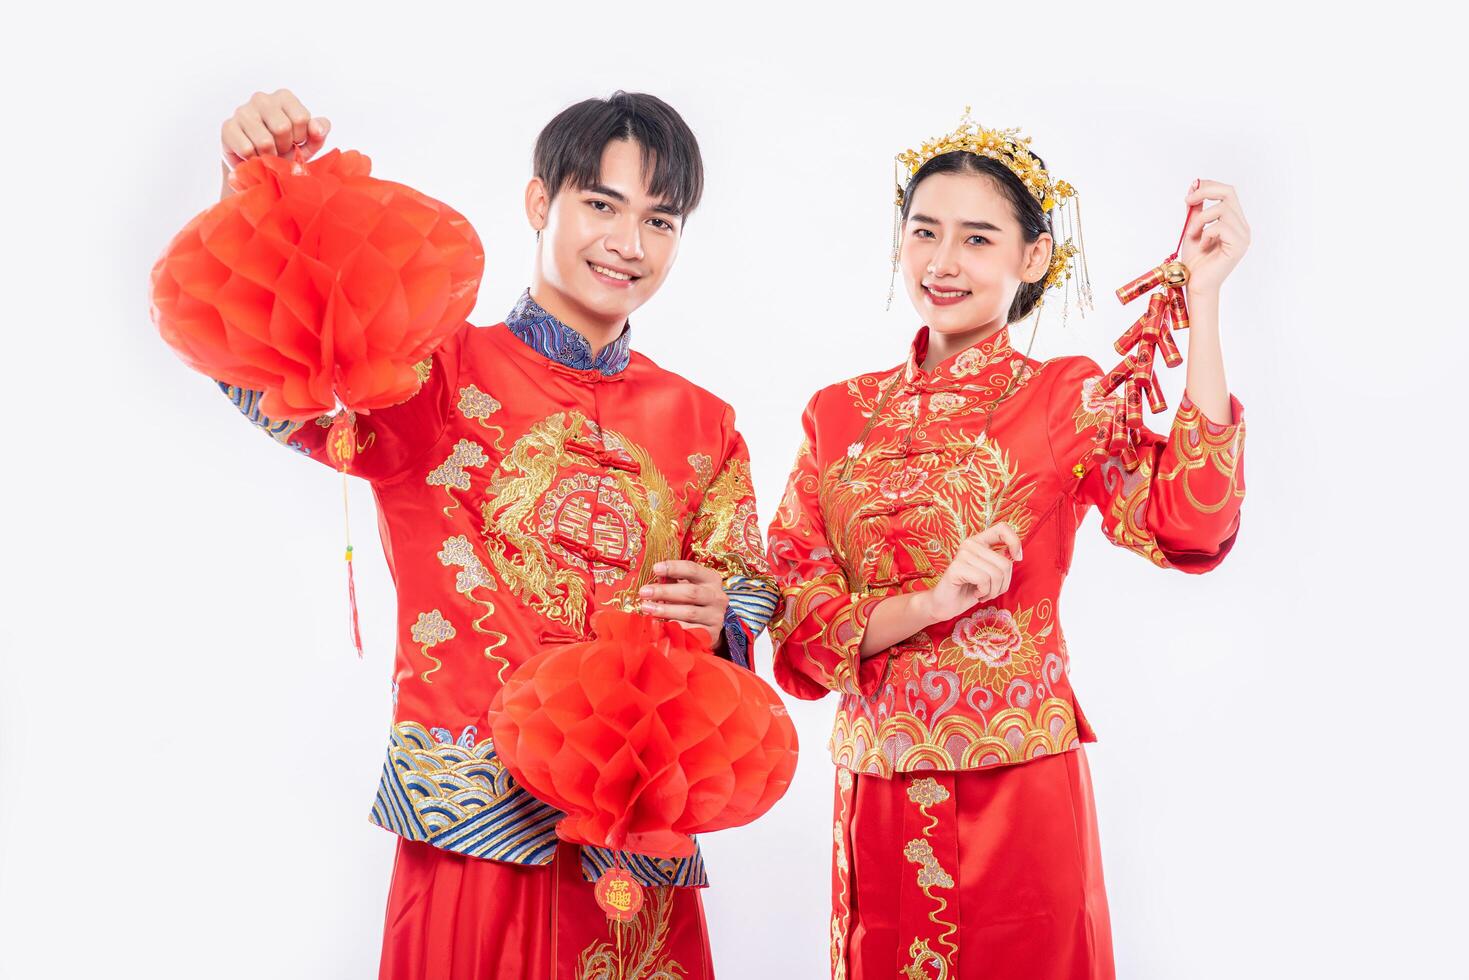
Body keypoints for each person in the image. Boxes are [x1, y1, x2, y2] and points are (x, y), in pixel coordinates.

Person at [210, 88, 778, 979]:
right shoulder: (437, 375)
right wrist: (255, 191)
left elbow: (745, 593)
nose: (628, 244)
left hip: (637, 833)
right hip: (471, 823)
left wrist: (722, 621)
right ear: (539, 203)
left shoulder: (703, 423)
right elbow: (283, 371)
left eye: (659, 220)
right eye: (601, 204)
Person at [766, 113, 1249, 980]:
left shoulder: (1062, 397)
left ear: (1031, 259)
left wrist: (1202, 301)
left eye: (976, 238)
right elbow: (797, 616)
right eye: (923, 233)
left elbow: (1190, 520)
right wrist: (930, 604)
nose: (942, 262)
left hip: (1016, 785)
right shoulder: (834, 414)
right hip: (874, 787)